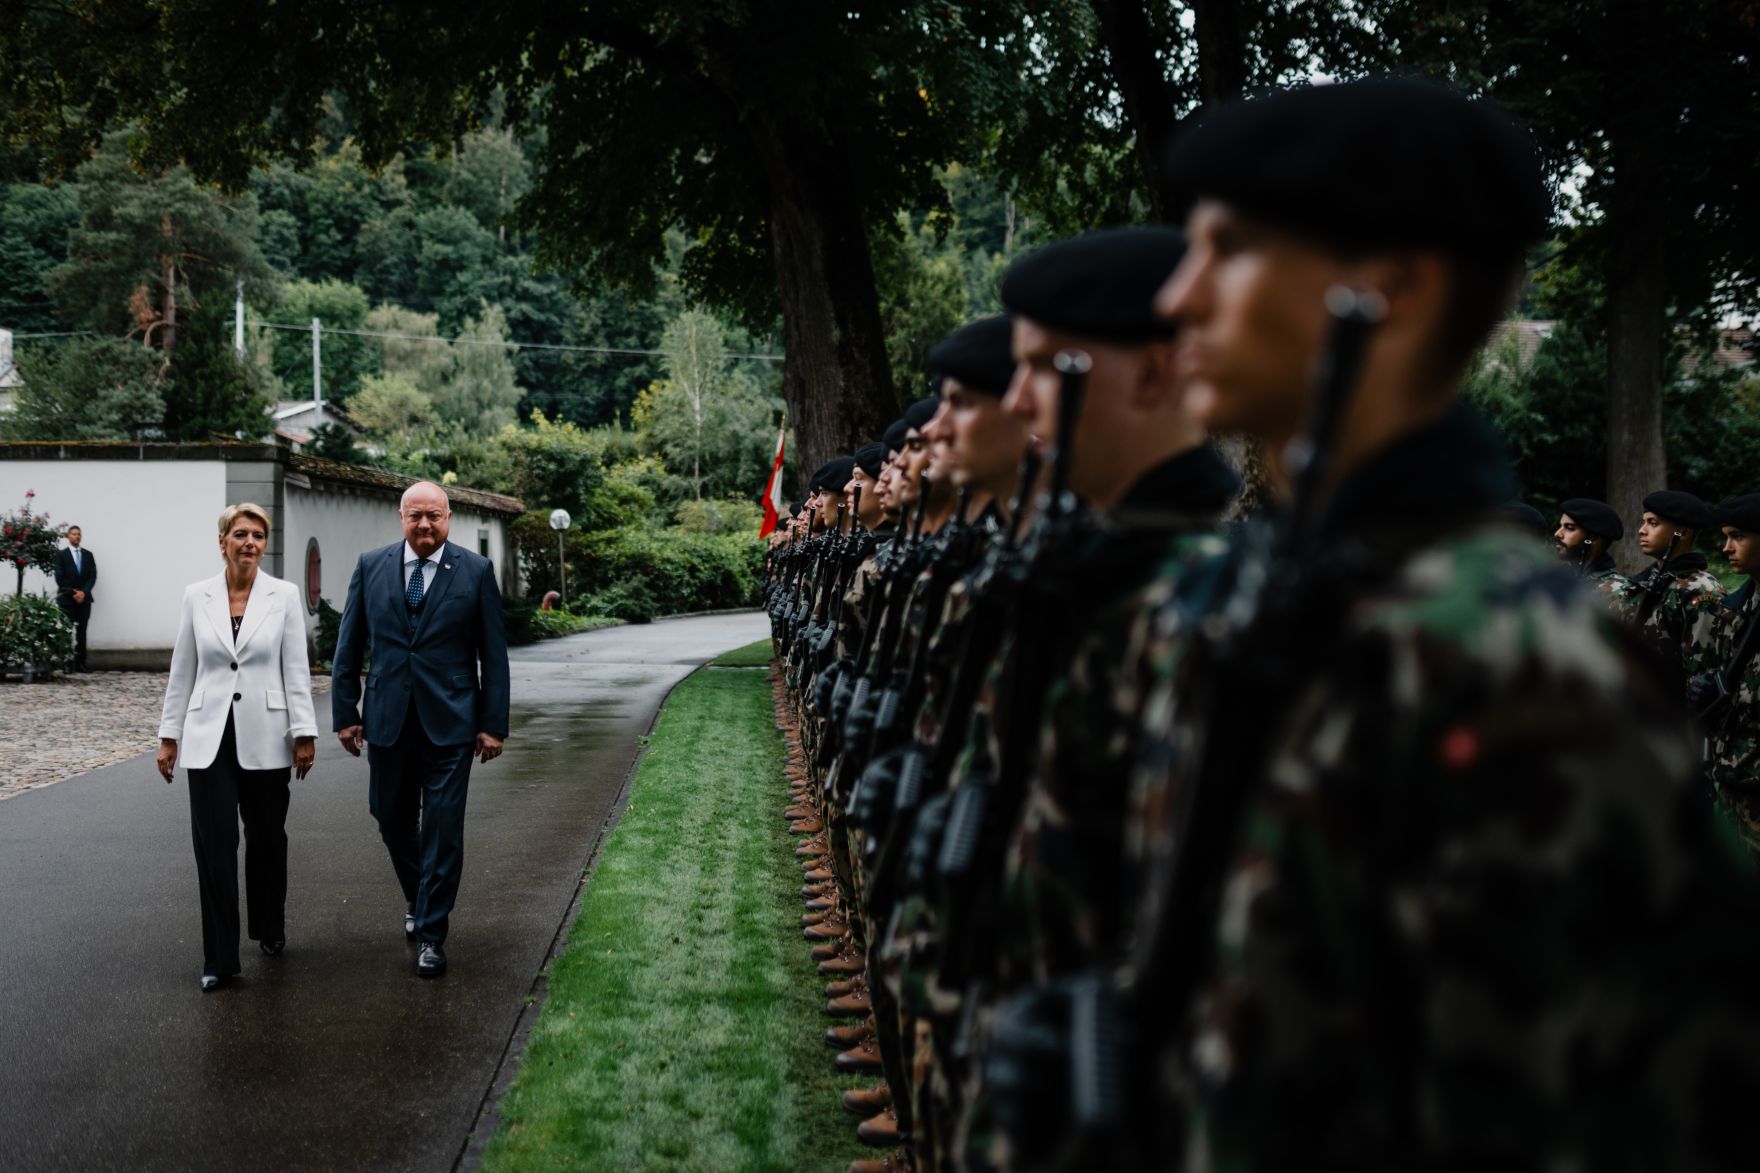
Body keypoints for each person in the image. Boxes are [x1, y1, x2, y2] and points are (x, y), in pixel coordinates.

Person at [1106, 76, 1760, 1169]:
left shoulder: (1518, 663)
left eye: (1226, 252)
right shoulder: (1296, 595)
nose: (1176, 300)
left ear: (1390, 289)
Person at [332, 481, 511, 979]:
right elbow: (349, 645)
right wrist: (346, 712)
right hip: (387, 719)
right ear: (401, 517)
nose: (425, 524)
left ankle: (432, 933)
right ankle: (420, 894)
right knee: (389, 816)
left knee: (442, 829)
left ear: (448, 517)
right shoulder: (371, 566)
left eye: (434, 515)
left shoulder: (475, 572)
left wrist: (493, 724)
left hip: (451, 722)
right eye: (416, 516)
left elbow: (493, 655)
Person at [156, 504, 317, 992]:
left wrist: (304, 732)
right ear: (222, 540)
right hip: (209, 737)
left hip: (267, 734)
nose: (250, 542)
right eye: (241, 534)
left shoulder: (283, 596)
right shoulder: (196, 596)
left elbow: (295, 667)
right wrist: (169, 735)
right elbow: (183, 668)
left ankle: (269, 925)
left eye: (259, 535)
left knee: (267, 839)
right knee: (215, 847)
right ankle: (220, 958)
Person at [1688, 494, 1760, 856]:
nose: (1726, 547)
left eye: (1738, 536)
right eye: (1725, 536)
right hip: (1735, 780)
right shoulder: (1740, 607)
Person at [54, 525, 97, 671]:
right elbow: (60, 577)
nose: (77, 536)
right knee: (66, 632)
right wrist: (74, 593)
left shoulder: (88, 555)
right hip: (67, 599)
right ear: (68, 536)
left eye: (79, 534)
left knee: (82, 632)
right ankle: (66, 663)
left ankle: (81, 663)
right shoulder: (61, 555)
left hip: (84, 600)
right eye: (73, 534)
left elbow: (92, 576)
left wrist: (83, 592)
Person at [1555, 497, 1624, 582]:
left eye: (1569, 528)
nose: (1558, 534)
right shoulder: (1557, 578)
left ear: (1593, 538)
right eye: (1561, 526)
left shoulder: (1618, 591)